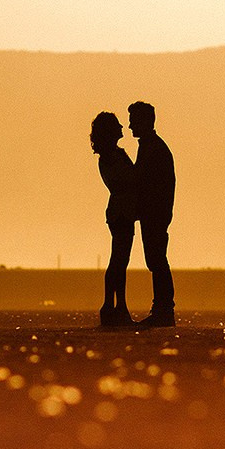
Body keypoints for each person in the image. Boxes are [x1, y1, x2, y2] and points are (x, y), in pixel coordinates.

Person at [128, 101, 175, 327]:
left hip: (155, 213)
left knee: (157, 261)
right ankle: (162, 310)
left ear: (144, 122)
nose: (129, 126)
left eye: (133, 121)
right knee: (156, 260)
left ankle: (164, 311)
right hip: (153, 213)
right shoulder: (149, 146)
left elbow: (147, 182)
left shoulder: (154, 148)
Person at [90, 112, 135, 326]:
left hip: (121, 210)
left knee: (120, 260)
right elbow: (125, 180)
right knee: (118, 259)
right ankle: (113, 306)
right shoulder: (110, 157)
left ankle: (116, 306)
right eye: (117, 125)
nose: (122, 128)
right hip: (121, 211)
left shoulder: (113, 155)